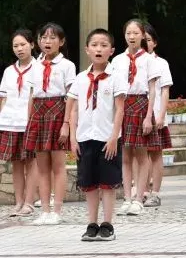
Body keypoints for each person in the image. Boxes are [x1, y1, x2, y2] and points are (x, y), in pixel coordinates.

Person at [68, 28, 126, 242]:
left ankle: (108, 224)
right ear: (87, 49)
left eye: (103, 45)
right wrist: (73, 137)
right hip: (85, 137)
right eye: (94, 45)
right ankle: (91, 223)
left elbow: (119, 109)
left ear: (111, 50)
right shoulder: (80, 79)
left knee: (107, 183)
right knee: (89, 183)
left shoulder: (116, 78)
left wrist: (114, 137)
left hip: (107, 138)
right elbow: (74, 108)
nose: (98, 48)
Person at [25, 22, 76, 225]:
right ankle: (44, 210)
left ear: (61, 42)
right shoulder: (34, 65)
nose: (47, 41)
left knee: (58, 165)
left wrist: (67, 123)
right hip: (38, 112)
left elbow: (72, 96)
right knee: (42, 166)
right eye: (44, 37)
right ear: (38, 41)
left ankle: (57, 210)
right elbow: (31, 94)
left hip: (58, 110)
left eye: (53, 37)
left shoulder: (67, 65)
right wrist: (29, 121)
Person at [110, 20, 159, 217]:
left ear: (142, 35)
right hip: (123, 105)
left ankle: (140, 198)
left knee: (141, 154)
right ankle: (127, 198)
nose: (131, 36)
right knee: (126, 155)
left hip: (141, 104)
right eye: (128, 33)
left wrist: (148, 116)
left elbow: (153, 90)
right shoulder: (117, 61)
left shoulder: (149, 60)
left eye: (135, 33)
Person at [0, 29, 38, 218]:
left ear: (32, 45)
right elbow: (3, 98)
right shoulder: (8, 71)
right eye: (16, 46)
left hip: (29, 122)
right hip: (10, 122)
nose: (19, 49)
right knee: (16, 163)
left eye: (23, 44)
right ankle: (19, 201)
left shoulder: (39, 68)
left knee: (31, 162)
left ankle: (30, 202)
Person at [143, 24, 172, 207]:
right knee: (139, 155)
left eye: (147, 39)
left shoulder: (161, 63)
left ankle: (155, 192)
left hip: (155, 114)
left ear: (154, 43)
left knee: (155, 154)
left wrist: (161, 115)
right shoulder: (132, 62)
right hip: (136, 114)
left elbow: (165, 90)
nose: (144, 43)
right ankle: (142, 191)